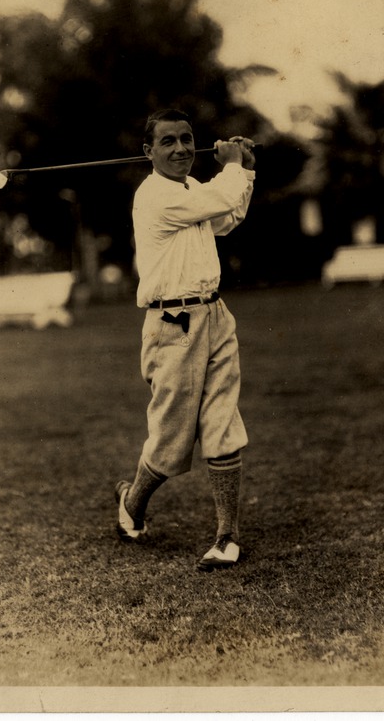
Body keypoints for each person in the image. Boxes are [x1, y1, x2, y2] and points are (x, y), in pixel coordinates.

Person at [115, 108, 256, 571]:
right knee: (172, 441)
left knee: (222, 422)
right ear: (148, 152)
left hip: (214, 314)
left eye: (187, 139)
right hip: (171, 326)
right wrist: (233, 165)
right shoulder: (153, 196)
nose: (180, 149)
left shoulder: (195, 190)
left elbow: (227, 218)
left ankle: (226, 537)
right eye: (168, 141)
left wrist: (245, 171)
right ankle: (133, 503)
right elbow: (220, 198)